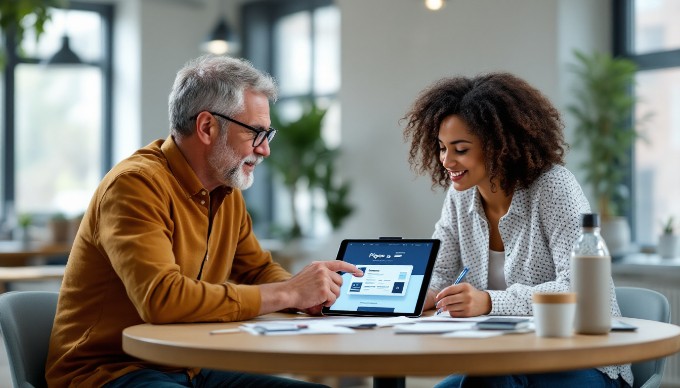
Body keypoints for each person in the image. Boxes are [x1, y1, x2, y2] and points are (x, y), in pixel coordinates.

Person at [45, 55, 362, 388]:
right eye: (256, 133)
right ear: (208, 127)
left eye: (268, 134)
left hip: (186, 367)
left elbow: (256, 271)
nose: (265, 150)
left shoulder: (226, 192)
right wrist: (287, 294)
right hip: (108, 372)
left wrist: (307, 297)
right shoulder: (134, 185)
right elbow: (162, 299)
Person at [402, 73, 632, 388]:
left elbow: (583, 291)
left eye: (460, 149)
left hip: (582, 361)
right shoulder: (459, 197)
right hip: (502, 361)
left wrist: (488, 301)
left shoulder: (553, 187)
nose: (446, 160)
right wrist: (410, 295)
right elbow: (440, 276)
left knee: (486, 382)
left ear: (497, 146)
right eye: (442, 148)